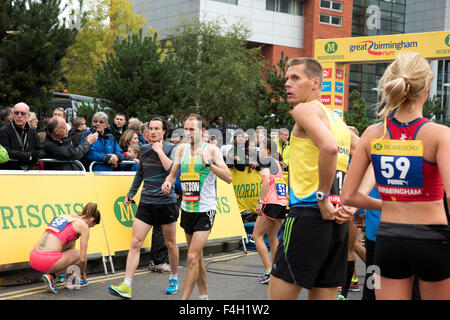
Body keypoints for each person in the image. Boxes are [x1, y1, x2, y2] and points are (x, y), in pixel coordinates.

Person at [341, 52, 450, 300]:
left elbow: (348, 195)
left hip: (389, 239)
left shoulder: (373, 133)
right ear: (427, 87)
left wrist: (392, 202)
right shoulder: (439, 134)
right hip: (433, 237)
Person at [268, 58, 359, 300]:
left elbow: (329, 148)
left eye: (295, 78)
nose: (287, 83)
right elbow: (365, 156)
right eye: (286, 78)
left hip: (308, 215)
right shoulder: (337, 120)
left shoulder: (304, 109)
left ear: (316, 83)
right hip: (336, 221)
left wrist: (322, 196)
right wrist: (351, 202)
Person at [162, 113, 233, 300]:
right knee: (198, 258)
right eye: (185, 128)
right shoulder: (181, 150)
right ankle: (204, 296)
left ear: (202, 131)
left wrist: (209, 164)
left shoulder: (211, 151)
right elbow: (172, 174)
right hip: (187, 209)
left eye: (191, 129)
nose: (187, 132)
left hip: (205, 209)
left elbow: (228, 178)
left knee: (192, 258)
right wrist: (168, 182)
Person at [108, 117, 180, 299]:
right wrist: (131, 193)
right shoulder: (144, 150)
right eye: (150, 128)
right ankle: (127, 284)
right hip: (147, 202)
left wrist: (159, 151)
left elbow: (172, 170)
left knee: (170, 243)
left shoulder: (173, 149)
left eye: (157, 129)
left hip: (166, 202)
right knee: (135, 242)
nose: (153, 132)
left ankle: (173, 278)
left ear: (164, 131)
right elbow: (140, 174)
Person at [29, 202, 101, 293]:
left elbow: (69, 250)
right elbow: (82, 259)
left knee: (71, 248)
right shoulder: (84, 226)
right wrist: (82, 274)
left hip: (33, 257)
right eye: (91, 226)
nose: (89, 228)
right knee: (79, 254)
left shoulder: (68, 217)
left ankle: (68, 278)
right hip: (47, 261)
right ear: (91, 220)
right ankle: (53, 276)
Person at [253, 138, 286, 284]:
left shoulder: (265, 160)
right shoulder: (276, 162)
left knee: (257, 235)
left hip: (270, 201)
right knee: (273, 237)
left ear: (267, 150)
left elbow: (266, 181)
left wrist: (260, 202)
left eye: (259, 147)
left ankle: (269, 271)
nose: (257, 150)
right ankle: (277, 270)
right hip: (281, 201)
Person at [0, 102, 44, 170]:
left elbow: (41, 151)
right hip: (9, 173)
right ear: (12, 114)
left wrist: (33, 155)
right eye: (16, 113)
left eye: (23, 113)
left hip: (28, 173)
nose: (19, 116)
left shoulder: (33, 132)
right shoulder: (4, 131)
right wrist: (29, 156)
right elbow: (6, 152)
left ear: (28, 115)